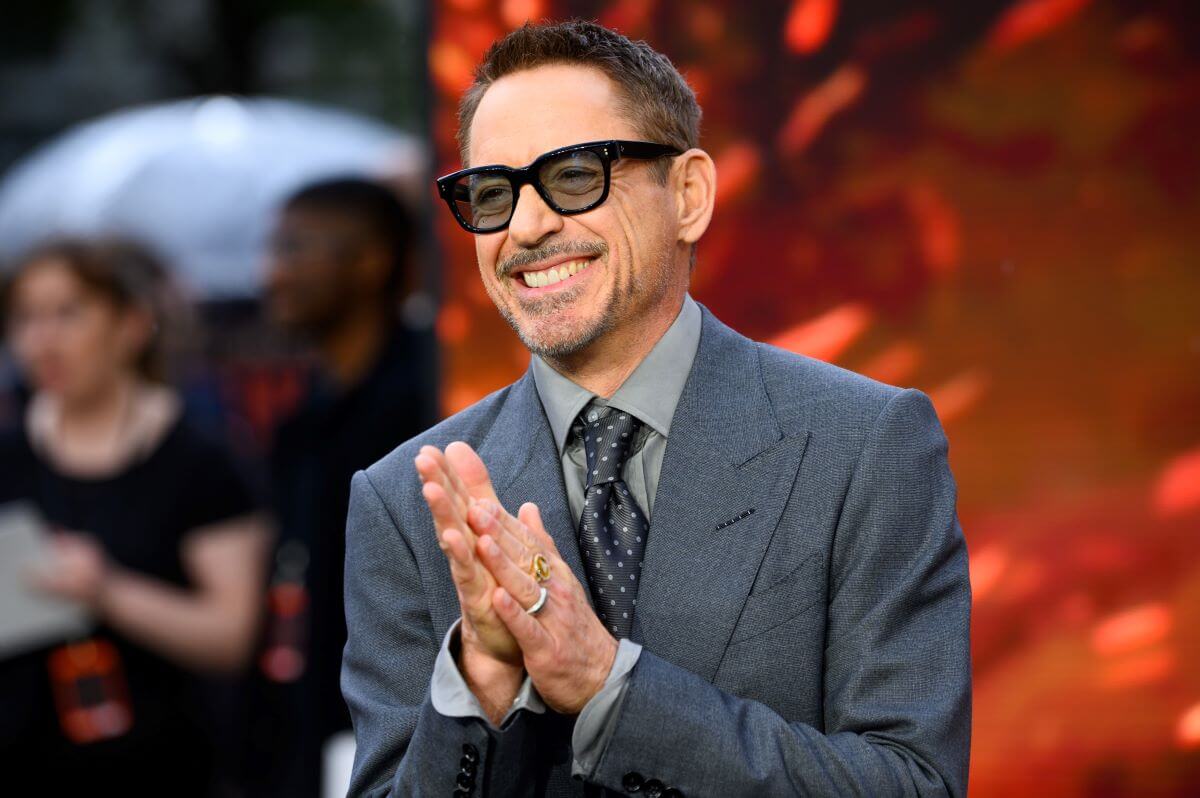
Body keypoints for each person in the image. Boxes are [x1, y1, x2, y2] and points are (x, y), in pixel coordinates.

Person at [342, 20, 971, 798]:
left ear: (689, 195)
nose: (528, 226)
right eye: (495, 193)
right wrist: (481, 684)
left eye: (574, 176)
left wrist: (611, 688)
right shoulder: (404, 499)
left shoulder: (864, 445)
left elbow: (913, 785)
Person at [0, 238, 269, 797]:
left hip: (169, 767)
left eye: (67, 313)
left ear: (129, 323)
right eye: (24, 318)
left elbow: (231, 636)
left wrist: (107, 592)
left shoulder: (197, 458)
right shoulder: (10, 454)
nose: (41, 341)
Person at [252, 177, 439, 797]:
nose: (272, 273)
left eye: (295, 249)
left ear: (369, 261)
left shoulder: (430, 404)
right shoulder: (302, 421)